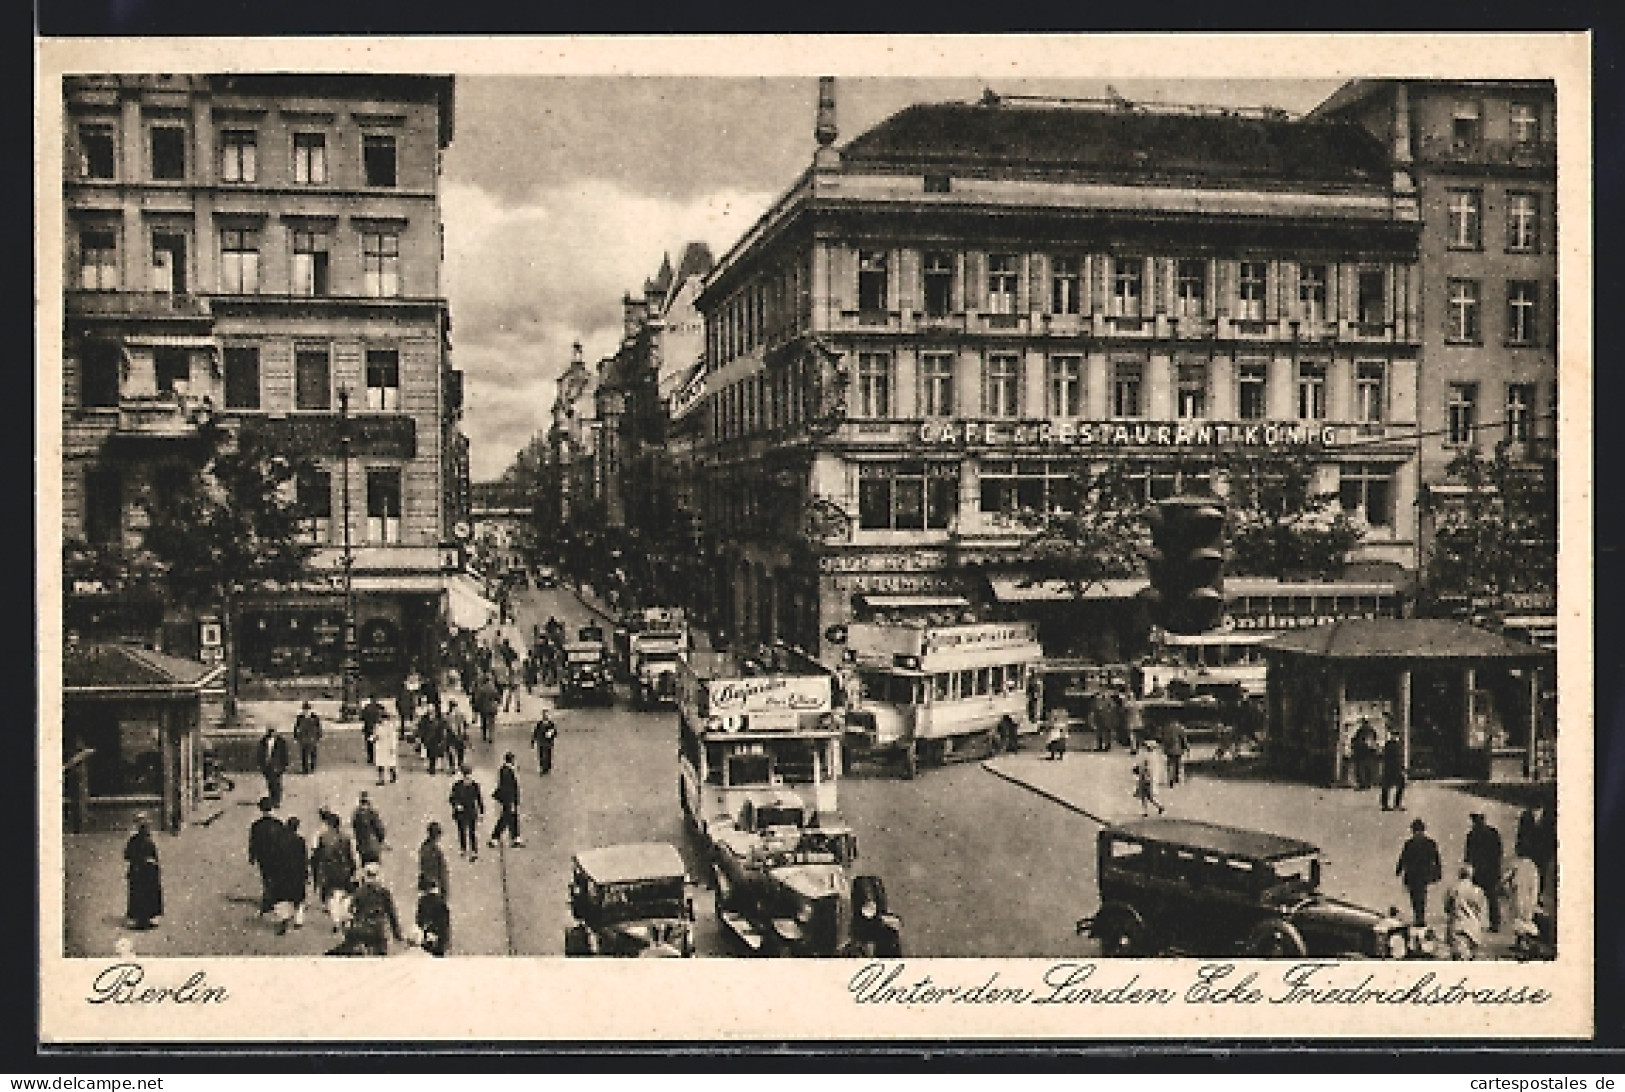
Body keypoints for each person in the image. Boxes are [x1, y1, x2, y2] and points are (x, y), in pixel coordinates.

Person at [334, 862, 403, 956]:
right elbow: (392, 915)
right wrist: (397, 935)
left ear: (365, 876)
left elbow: (350, 911)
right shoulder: (384, 893)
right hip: (378, 930)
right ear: (378, 876)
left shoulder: (359, 892)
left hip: (362, 930)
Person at [311, 809, 358, 932]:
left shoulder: (323, 838)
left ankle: (336, 920)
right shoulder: (345, 838)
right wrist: (353, 869)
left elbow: (319, 856)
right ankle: (345, 918)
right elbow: (350, 856)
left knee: (332, 897)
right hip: (344, 870)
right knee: (344, 895)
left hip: (330, 872)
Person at [1395, 817, 1443, 927]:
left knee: (1414, 895)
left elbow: (1403, 858)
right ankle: (1420, 916)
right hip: (1424, 874)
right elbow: (1436, 859)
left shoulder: (1410, 843)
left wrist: (1399, 870)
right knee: (1422, 894)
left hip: (1412, 874)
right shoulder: (1430, 843)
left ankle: (1418, 916)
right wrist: (1438, 872)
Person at [1464, 812, 1504, 932]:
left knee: (1475, 897)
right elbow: (1499, 852)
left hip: (1479, 871)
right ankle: (1495, 923)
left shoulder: (1472, 835)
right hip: (1491, 870)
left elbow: (1468, 856)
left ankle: (1475, 921)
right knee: (1492, 897)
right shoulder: (1493, 833)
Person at [271, 816, 310, 935]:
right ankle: (298, 920)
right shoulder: (300, 841)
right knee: (298, 897)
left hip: (282, 873)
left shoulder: (278, 840)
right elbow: (303, 859)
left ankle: (284, 919)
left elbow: (275, 858)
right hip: (296, 873)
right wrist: (306, 873)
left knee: (283, 897)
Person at [123, 814, 162, 930]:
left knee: (142, 894)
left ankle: (143, 918)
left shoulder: (139, 841)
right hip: (142, 871)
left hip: (143, 872)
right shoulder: (143, 841)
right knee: (143, 894)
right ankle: (143, 919)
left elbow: (127, 855)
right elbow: (128, 855)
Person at [248, 797, 285, 918]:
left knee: (266, 876)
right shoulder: (278, 824)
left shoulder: (256, 825)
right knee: (275, 875)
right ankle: (273, 898)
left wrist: (252, 856)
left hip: (263, 856)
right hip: (276, 855)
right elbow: (282, 841)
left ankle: (268, 897)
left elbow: (253, 842)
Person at [1443, 865, 1489, 960]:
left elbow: (1447, 908)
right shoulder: (1478, 891)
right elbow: (1482, 910)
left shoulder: (1452, 889)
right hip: (1473, 927)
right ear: (1471, 875)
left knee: (1458, 958)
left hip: (1457, 925)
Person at [1502, 847, 1542, 944]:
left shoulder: (1520, 865)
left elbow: (1505, 880)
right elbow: (1535, 884)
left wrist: (1508, 887)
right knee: (1522, 917)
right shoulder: (1530, 866)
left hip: (1521, 894)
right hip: (1523, 894)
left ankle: (1523, 941)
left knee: (1520, 917)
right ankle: (1521, 941)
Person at [449, 765, 485, 860]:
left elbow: (479, 799)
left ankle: (473, 850)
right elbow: (452, 798)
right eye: (465, 775)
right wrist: (457, 805)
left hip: (471, 811)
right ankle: (463, 849)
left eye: (468, 775)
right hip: (461, 812)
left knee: (472, 831)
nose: (467, 777)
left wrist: (481, 812)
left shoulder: (475, 785)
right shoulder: (457, 786)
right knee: (462, 831)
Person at [489, 751, 524, 849]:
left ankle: (515, 837)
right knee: (505, 818)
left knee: (512, 818)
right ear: (512, 760)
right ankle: (495, 837)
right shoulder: (506, 772)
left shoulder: (506, 770)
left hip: (509, 800)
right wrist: (511, 802)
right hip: (509, 800)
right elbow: (508, 788)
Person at [416, 877, 450, 957]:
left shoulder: (423, 902)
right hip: (436, 935)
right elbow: (444, 922)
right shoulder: (440, 902)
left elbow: (419, 920)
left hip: (428, 935)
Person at [257, 726, 290, 808]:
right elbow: (260, 753)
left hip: (277, 766)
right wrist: (261, 764)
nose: (271, 733)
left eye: (273, 731)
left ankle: (277, 800)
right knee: (270, 783)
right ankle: (272, 799)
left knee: (277, 783)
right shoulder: (263, 741)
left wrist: (284, 766)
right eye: (270, 731)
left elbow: (284, 754)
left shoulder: (281, 742)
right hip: (267, 765)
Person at [418, 821, 451, 901]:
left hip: (428, 885)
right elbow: (440, 871)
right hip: (434, 886)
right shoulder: (434, 851)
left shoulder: (424, 848)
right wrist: (443, 889)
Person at [352, 792, 387, 865]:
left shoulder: (356, 814)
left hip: (363, 849)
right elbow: (380, 830)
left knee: (365, 869)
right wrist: (380, 841)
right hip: (374, 847)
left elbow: (355, 831)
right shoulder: (372, 812)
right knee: (375, 870)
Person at [292, 700, 323, 775]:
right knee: (304, 754)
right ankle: (305, 769)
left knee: (313, 753)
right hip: (304, 738)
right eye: (305, 710)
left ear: (310, 710)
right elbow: (296, 727)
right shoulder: (300, 718)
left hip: (312, 738)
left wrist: (318, 736)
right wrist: (296, 736)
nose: (306, 712)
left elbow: (318, 727)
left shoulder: (314, 718)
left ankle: (312, 768)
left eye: (307, 710)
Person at [1380, 728, 1407, 811]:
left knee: (1400, 785)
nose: (1395, 737)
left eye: (1396, 735)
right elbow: (1387, 757)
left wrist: (1402, 767)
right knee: (1387, 786)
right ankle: (1386, 805)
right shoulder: (1389, 745)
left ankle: (1395, 804)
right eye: (1393, 735)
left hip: (1395, 768)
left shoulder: (1397, 745)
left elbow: (1399, 758)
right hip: (1390, 768)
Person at [417, 706, 447, 776]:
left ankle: (432, 768)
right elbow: (421, 728)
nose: (431, 714)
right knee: (430, 754)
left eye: (432, 712)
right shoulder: (424, 719)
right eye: (429, 712)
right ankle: (432, 767)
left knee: (433, 755)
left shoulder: (439, 720)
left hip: (435, 739)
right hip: (428, 740)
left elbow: (442, 729)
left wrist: (441, 739)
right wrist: (421, 738)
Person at [1350, 719, 1378, 790]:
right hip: (1368, 753)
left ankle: (1363, 784)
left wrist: (1353, 745)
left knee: (1361, 769)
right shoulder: (1371, 731)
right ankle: (1367, 784)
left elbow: (1356, 740)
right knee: (1367, 769)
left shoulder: (1361, 731)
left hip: (1361, 753)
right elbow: (1374, 740)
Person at [473, 674, 500, 743]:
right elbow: (498, 697)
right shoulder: (493, 688)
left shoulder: (482, 689)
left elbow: (478, 699)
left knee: (484, 722)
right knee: (491, 723)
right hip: (492, 708)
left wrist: (476, 708)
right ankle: (491, 736)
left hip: (484, 708)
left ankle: (484, 736)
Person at [1162, 717, 1189, 787]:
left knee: (1170, 763)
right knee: (1178, 764)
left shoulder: (1166, 728)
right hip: (1178, 749)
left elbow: (1163, 738)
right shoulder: (1180, 728)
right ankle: (1176, 778)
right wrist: (1186, 747)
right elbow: (1184, 739)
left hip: (1169, 749)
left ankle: (1171, 778)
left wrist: (1164, 748)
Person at [360, 694, 385, 767]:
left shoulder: (366, 707)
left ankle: (371, 758)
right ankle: (378, 758)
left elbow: (362, 717)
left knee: (369, 744)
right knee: (378, 743)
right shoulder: (380, 707)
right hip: (378, 728)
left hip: (368, 727)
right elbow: (385, 716)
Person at [375, 714, 399, 785]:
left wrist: (393, 747)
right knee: (380, 763)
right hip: (380, 746)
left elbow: (393, 738)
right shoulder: (378, 726)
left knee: (390, 762)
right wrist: (373, 738)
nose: (382, 721)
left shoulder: (390, 727)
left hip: (388, 746)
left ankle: (393, 776)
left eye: (384, 719)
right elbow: (376, 735)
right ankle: (381, 779)